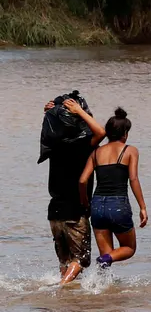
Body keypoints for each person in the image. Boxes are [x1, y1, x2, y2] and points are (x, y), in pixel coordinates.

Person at [43, 94, 106, 284]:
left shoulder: (54, 144)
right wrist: (79, 111)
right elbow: (101, 132)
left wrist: (49, 114)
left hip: (54, 211)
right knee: (81, 260)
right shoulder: (81, 145)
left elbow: (53, 128)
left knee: (65, 261)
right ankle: (60, 288)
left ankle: (65, 302)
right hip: (74, 211)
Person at [78, 108, 147, 269]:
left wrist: (85, 203)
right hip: (118, 205)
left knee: (106, 257)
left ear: (108, 132)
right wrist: (142, 207)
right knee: (129, 248)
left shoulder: (96, 153)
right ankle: (104, 264)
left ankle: (101, 290)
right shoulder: (130, 150)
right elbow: (133, 179)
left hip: (97, 205)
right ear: (125, 133)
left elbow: (82, 181)